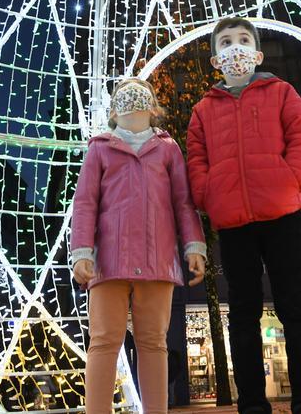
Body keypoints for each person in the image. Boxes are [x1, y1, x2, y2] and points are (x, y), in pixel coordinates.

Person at [185, 17, 301, 414]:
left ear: (258, 53)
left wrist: (291, 179)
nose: (235, 47)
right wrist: (208, 195)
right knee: (242, 313)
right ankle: (251, 403)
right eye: (226, 42)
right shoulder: (202, 110)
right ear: (216, 59)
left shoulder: (281, 92)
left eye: (243, 40)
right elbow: (197, 158)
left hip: (282, 214)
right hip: (232, 223)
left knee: (294, 306)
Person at [70, 78, 208, 414]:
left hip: (157, 261)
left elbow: (183, 202)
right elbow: (85, 202)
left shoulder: (168, 149)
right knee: (103, 342)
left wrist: (194, 245)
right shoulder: (99, 148)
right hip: (108, 262)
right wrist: (82, 252)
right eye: (124, 91)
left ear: (153, 107)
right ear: (114, 111)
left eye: (139, 89)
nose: (132, 92)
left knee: (153, 344)